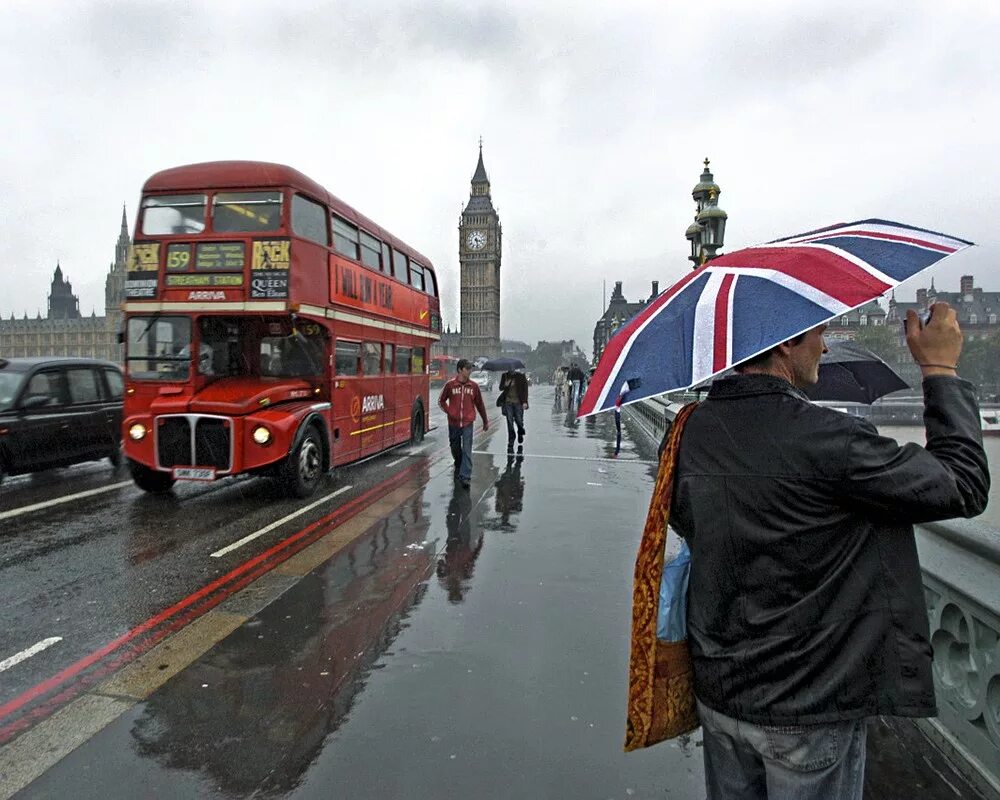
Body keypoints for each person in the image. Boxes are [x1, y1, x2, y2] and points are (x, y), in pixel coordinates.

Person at [668, 302, 989, 800]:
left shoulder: (687, 432)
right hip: (808, 704)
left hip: (721, 692)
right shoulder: (832, 440)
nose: (825, 345)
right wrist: (941, 370)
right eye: (817, 333)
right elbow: (963, 485)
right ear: (783, 344)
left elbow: (687, 521)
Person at [438, 358, 489, 489]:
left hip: (467, 422)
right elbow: (441, 401)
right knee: (455, 447)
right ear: (460, 370)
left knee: (467, 449)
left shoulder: (474, 386)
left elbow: (480, 404)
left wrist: (485, 421)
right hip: (453, 423)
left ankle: (465, 476)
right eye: (467, 368)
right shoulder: (450, 385)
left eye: (471, 368)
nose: (470, 371)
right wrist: (450, 412)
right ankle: (458, 462)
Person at [498, 368, 529, 448]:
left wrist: (525, 401)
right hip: (508, 402)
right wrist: (506, 385)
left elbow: (525, 389)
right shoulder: (504, 376)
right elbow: (500, 388)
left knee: (519, 420)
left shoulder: (521, 376)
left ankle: (520, 432)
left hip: (518, 402)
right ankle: (511, 439)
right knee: (509, 421)